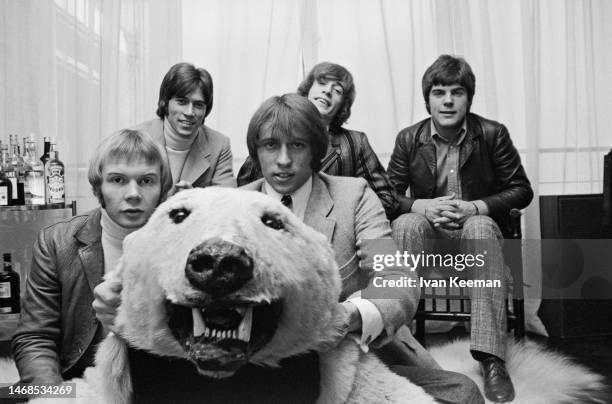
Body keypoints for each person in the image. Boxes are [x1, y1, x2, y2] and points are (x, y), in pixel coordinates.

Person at [387, 55, 533, 403]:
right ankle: (398, 343)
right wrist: (424, 207)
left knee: (481, 227)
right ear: (428, 100)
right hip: (430, 234)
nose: (448, 100)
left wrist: (474, 207)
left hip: (476, 233)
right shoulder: (409, 138)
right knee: (407, 222)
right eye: (439, 92)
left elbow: (521, 189)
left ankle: (492, 360)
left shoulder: (492, 134)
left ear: (469, 98)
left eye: (457, 92)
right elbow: (387, 195)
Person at [11, 129, 172, 384]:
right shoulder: (56, 242)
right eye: (118, 180)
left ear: (163, 187)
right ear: (99, 186)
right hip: (75, 384)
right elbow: (35, 338)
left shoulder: (180, 244)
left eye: (146, 181)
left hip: (156, 385)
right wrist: (55, 399)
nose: (133, 193)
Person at [237, 62, 400, 220]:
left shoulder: (355, 144)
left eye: (337, 90)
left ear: (343, 104)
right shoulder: (271, 128)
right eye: (322, 83)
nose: (327, 91)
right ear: (308, 89)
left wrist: (344, 214)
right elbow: (242, 195)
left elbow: (388, 201)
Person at [133, 62, 235, 193]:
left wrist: (194, 199)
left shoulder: (219, 145)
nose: (189, 112)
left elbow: (226, 202)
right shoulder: (135, 138)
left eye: (198, 105)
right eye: (182, 102)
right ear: (165, 102)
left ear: (206, 110)